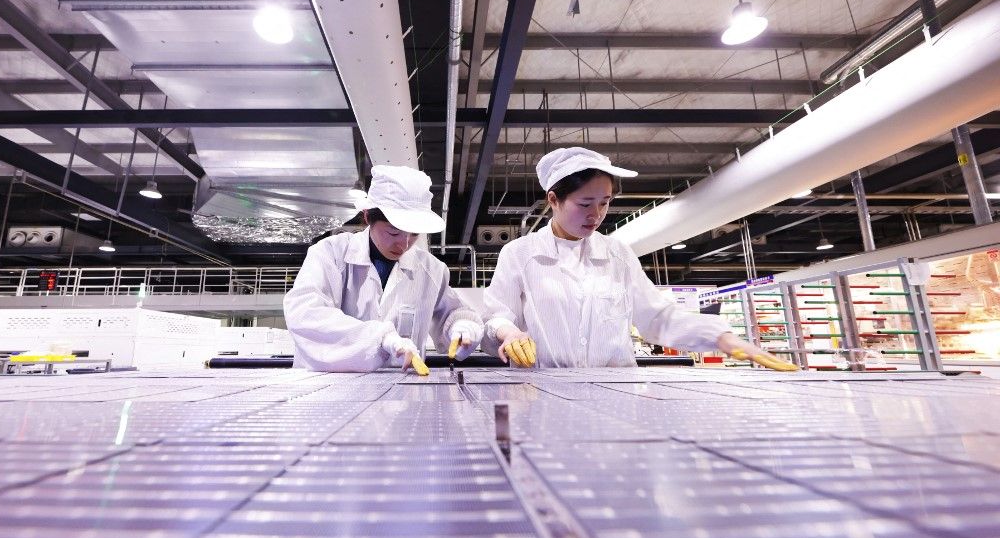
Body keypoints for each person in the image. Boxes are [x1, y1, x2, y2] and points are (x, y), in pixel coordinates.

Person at [481, 147, 796, 371]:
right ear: (553, 199)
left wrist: (722, 338)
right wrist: (509, 333)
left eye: (604, 202)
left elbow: (656, 318)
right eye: (585, 203)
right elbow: (497, 315)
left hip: (615, 391)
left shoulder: (617, 255)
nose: (596, 215)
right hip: (543, 390)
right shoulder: (521, 254)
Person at [284, 165, 483, 373]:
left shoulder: (432, 270)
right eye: (394, 233)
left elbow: (453, 313)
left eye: (414, 234)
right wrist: (379, 339)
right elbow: (305, 315)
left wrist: (462, 327)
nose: (404, 245)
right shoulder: (330, 254)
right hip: (331, 390)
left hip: (401, 395)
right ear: (368, 217)